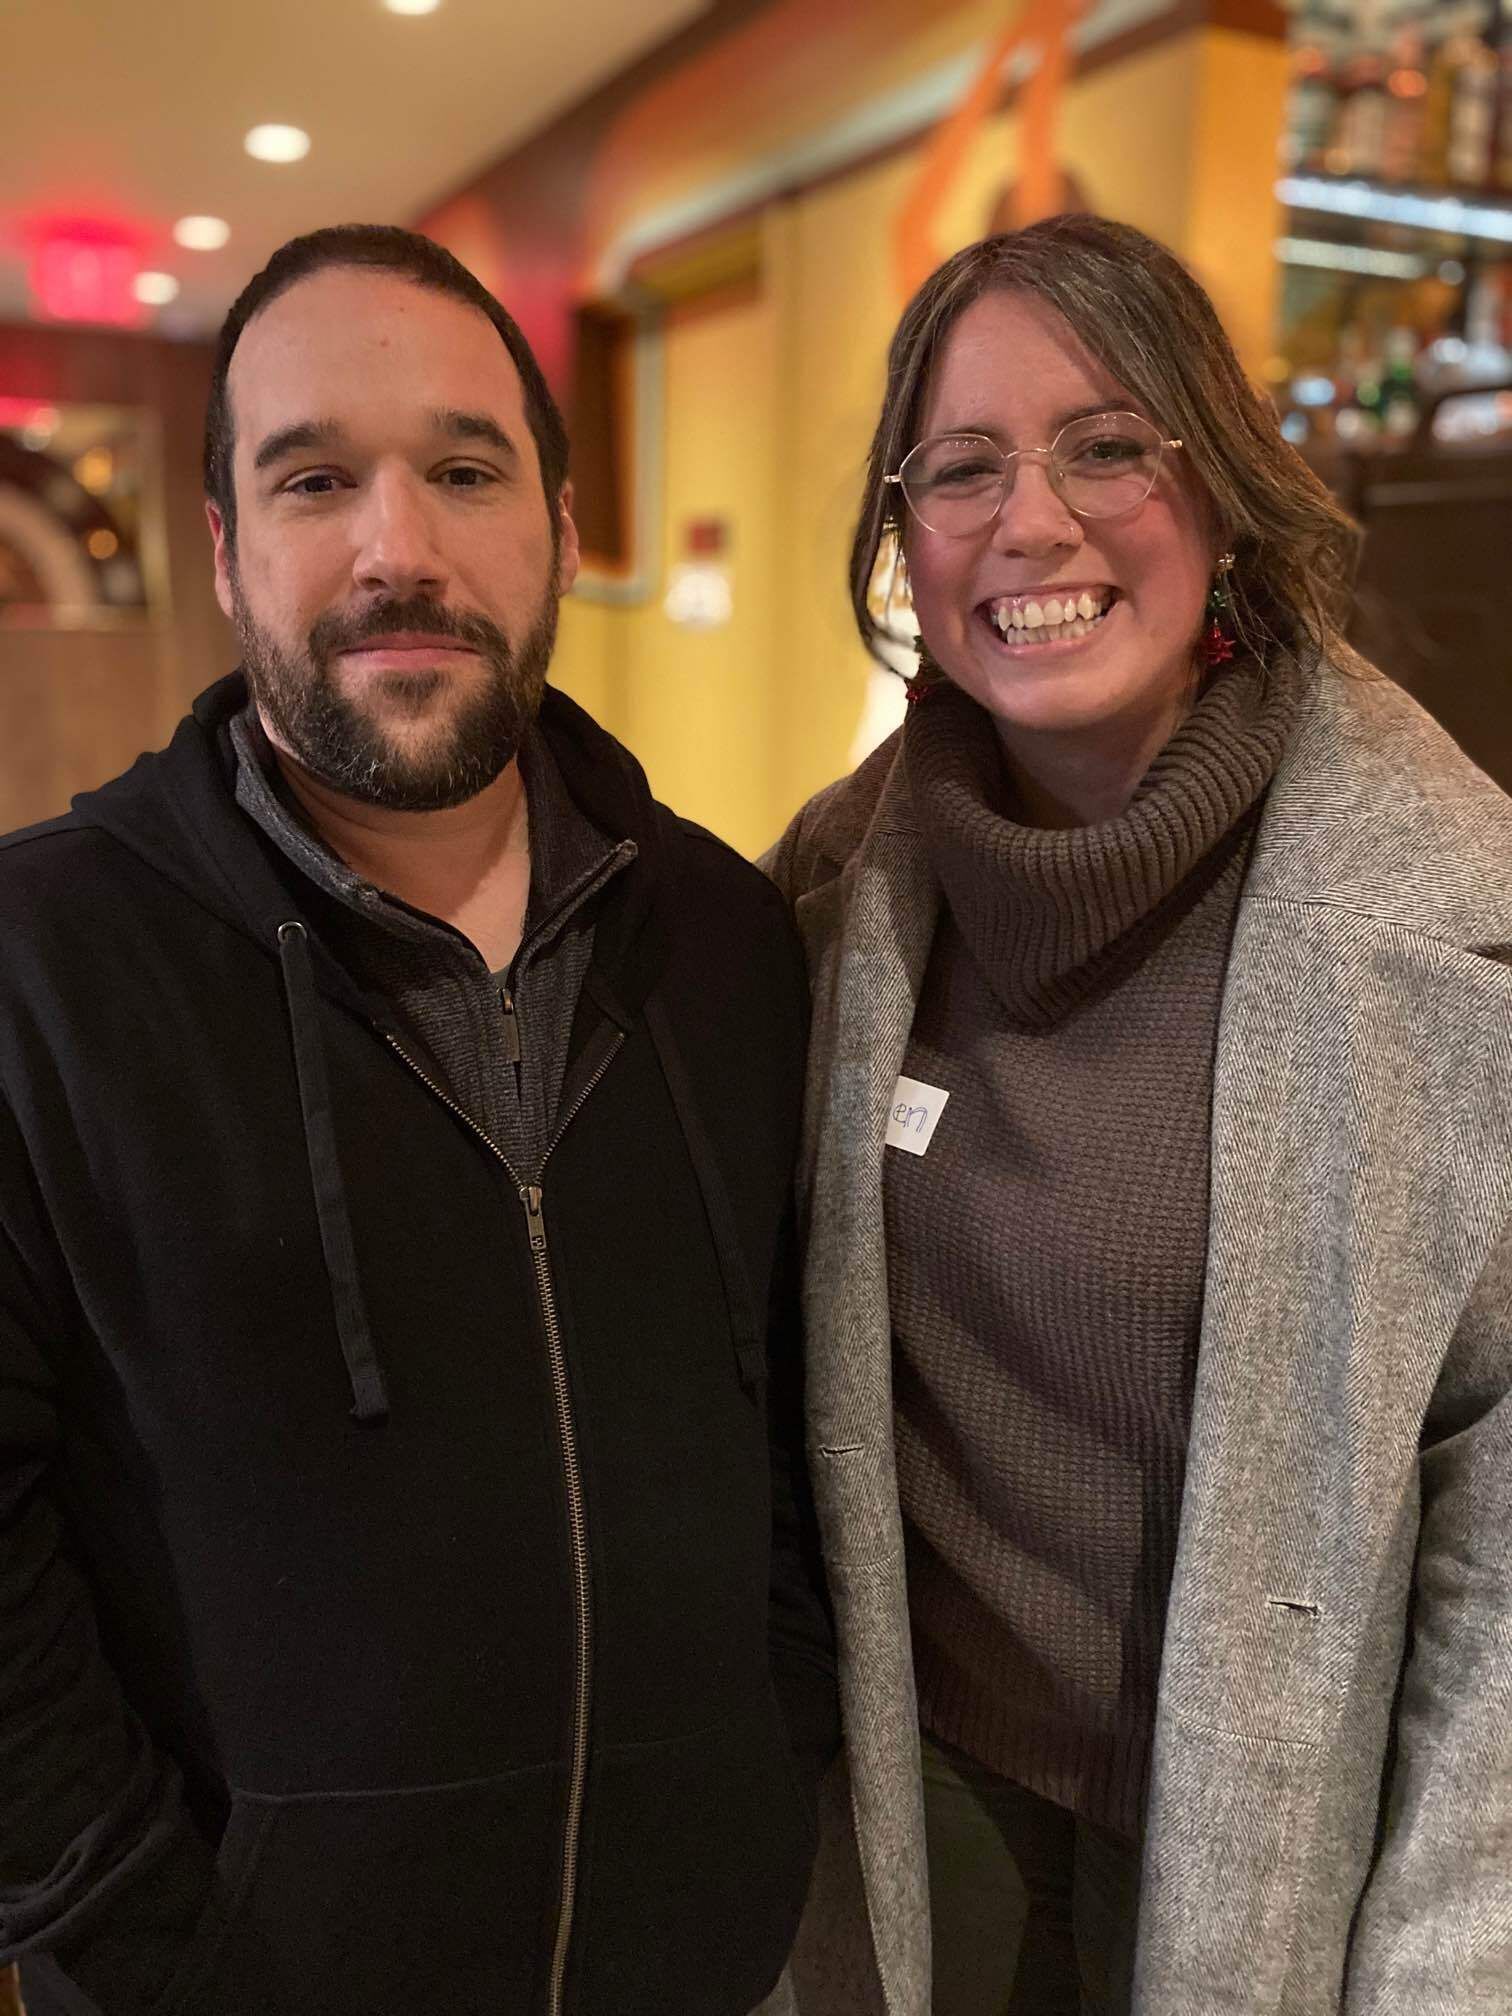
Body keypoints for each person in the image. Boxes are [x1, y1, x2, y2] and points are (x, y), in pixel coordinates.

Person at [0, 225, 837, 2016]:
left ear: (561, 526)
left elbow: (788, 1419)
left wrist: (766, 1792)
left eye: (465, 471)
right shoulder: (42, 966)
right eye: (316, 480)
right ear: (227, 549)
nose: (399, 548)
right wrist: (156, 1940)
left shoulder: (728, 938)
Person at [765, 213, 1512, 2014]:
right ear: (905, 544)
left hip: (1272, 1860)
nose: (1035, 523)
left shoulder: (1456, 937)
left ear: (1229, 489)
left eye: (1109, 445)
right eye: (960, 471)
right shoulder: (830, 893)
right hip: (911, 1793)